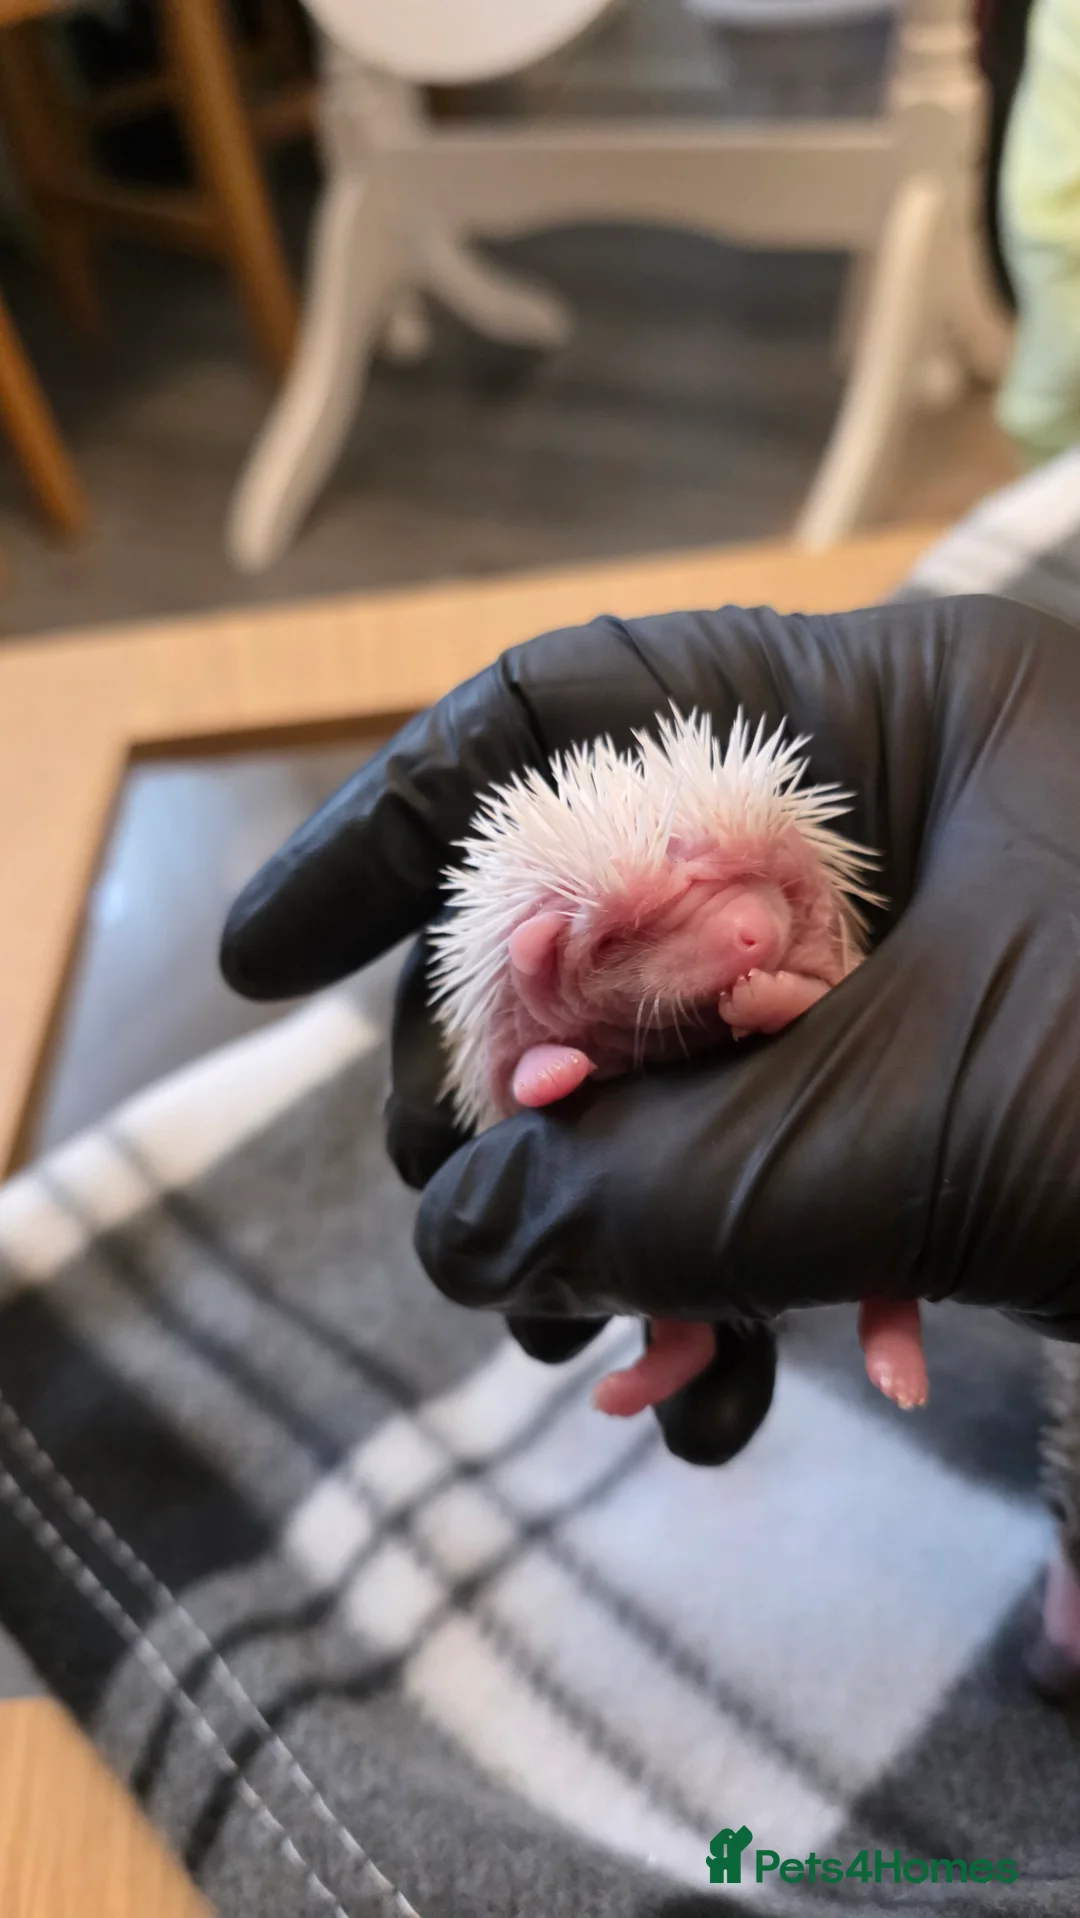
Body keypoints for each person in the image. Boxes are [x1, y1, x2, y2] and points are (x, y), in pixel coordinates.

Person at [222, 590, 1080, 1694]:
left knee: (893, 1220)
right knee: (704, 1275)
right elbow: (532, 1077)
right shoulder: (552, 973)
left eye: (756, 900)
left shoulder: (798, 911)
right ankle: (682, 1346)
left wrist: (781, 1001)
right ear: (559, 959)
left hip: (838, 1137)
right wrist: (552, 1075)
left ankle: (875, 1334)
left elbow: (828, 996)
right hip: (688, 1095)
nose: (750, 931)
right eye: (699, 925)